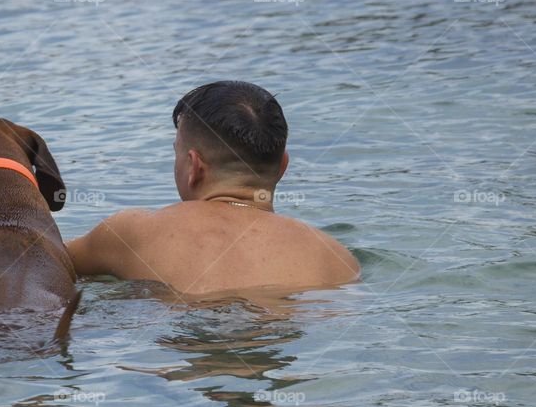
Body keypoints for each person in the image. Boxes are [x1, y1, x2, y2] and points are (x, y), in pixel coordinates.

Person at [65, 81, 360, 295]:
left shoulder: (129, 233)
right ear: (283, 166)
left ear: (194, 167)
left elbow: (40, 258)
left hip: (178, 348)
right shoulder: (335, 258)